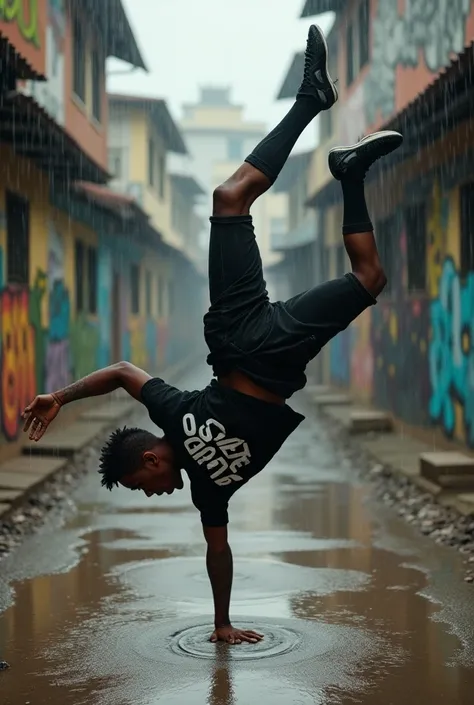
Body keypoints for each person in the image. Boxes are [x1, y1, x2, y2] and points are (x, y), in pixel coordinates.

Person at [22, 25, 402, 646]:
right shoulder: (207, 494)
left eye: (144, 487)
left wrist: (59, 398)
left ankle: (311, 98)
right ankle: (351, 171)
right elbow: (218, 554)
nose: (154, 494)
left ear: (149, 459)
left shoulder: (173, 414)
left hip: (239, 336)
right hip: (282, 355)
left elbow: (121, 372)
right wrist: (221, 622)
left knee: (230, 198)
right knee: (371, 277)